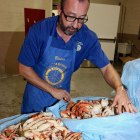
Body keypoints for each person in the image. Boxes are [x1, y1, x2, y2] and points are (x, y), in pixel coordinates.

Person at [18, 0, 137, 114]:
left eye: (81, 18)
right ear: (59, 9)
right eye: (70, 16)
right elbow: (24, 69)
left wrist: (120, 88)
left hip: (62, 101)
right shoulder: (39, 31)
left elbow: (106, 68)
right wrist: (52, 90)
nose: (75, 25)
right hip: (35, 100)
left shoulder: (87, 38)